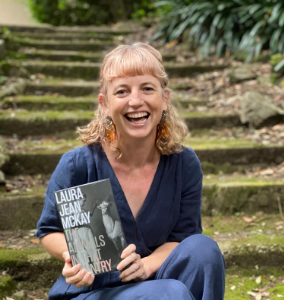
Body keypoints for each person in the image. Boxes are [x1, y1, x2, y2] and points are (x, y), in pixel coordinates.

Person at [36, 42, 225, 300]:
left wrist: (146, 266)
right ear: (104, 104)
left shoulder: (184, 164)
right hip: (95, 290)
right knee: (171, 292)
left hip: (157, 279)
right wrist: (72, 256)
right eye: (122, 91)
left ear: (164, 98)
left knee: (204, 250)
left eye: (147, 88)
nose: (136, 101)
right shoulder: (77, 165)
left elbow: (183, 238)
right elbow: (48, 231)